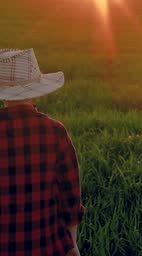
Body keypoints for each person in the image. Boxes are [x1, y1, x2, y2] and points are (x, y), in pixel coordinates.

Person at [0, 48, 85, 256]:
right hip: (46, 245)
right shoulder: (55, 131)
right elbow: (70, 196)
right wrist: (72, 243)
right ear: (36, 91)